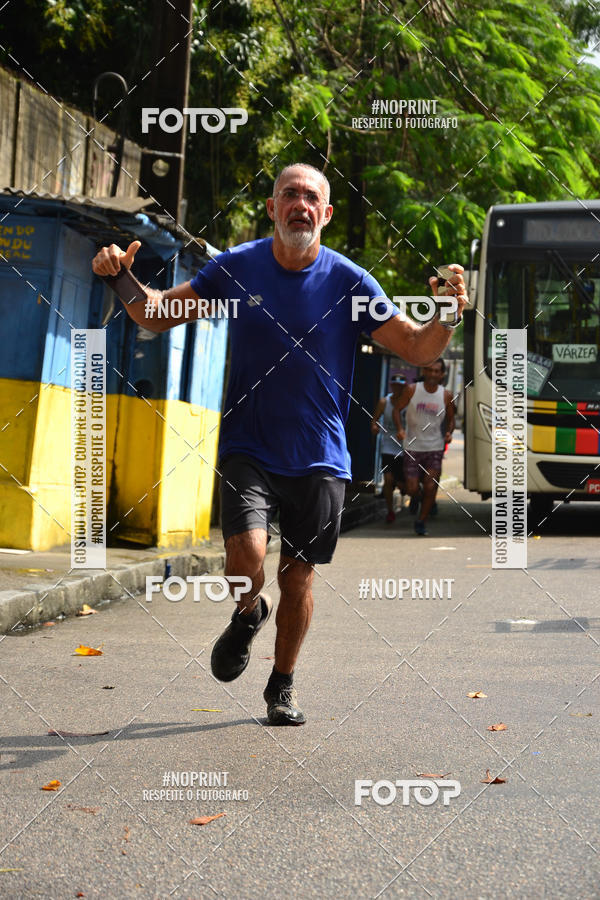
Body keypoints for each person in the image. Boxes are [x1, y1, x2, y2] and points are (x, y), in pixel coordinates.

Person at [91, 163, 467, 725]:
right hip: (248, 446)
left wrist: (446, 313)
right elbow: (155, 313)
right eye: (289, 194)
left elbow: (415, 347)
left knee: (299, 577)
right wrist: (119, 276)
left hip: (321, 456)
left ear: (326, 213)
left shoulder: (351, 283)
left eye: (311, 197)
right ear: (272, 207)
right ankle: (247, 611)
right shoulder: (235, 268)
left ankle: (282, 685)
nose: (300, 205)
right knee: (245, 558)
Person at [394, 358, 455, 536]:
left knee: (430, 486)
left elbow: (451, 419)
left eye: (437, 371)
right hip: (412, 447)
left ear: (442, 374)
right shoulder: (412, 390)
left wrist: (449, 432)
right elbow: (396, 409)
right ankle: (420, 499)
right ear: (423, 372)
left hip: (434, 447)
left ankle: (421, 521)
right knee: (412, 488)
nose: (432, 374)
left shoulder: (446, 395)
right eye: (429, 370)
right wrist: (399, 429)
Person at [371, 376, 407, 523]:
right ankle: (390, 511)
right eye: (394, 385)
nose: (397, 388)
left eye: (400, 386)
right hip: (387, 445)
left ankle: (414, 497)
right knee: (388, 479)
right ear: (391, 386)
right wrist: (374, 427)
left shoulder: (408, 403)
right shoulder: (384, 402)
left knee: (402, 484)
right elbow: (374, 420)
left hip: (405, 447)